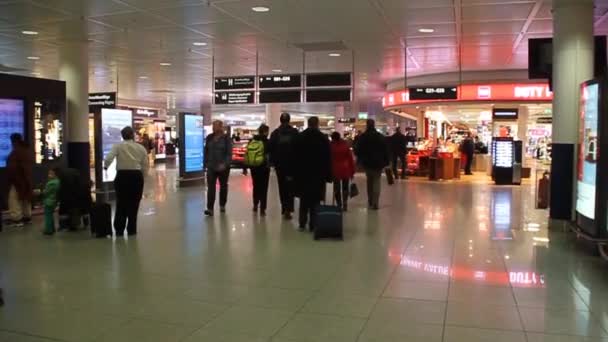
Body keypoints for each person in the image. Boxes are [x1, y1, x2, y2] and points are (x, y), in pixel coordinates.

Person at [104, 126, 148, 236]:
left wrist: (106, 167)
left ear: (122, 135)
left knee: (121, 202)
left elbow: (109, 158)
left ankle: (119, 229)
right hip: (136, 176)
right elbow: (145, 165)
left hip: (122, 176)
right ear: (133, 135)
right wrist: (143, 177)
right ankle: (131, 229)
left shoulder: (118, 146)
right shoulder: (140, 148)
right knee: (134, 203)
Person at [293, 117, 331, 231]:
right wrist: (328, 175)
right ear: (317, 124)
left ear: (308, 124)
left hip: (303, 173)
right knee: (316, 199)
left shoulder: (300, 137)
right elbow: (327, 158)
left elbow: (294, 156)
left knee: (304, 199)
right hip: (318, 174)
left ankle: (302, 223)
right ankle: (313, 224)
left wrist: (294, 173)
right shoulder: (323, 138)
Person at [268, 112, 299, 219]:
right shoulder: (295, 132)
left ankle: (284, 207)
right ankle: (289, 209)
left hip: (280, 165)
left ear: (280, 120)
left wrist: (272, 162)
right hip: (292, 165)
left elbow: (270, 149)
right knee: (290, 186)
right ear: (289, 120)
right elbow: (299, 148)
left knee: (282, 186)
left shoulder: (275, 133)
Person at [354, 119, 389, 210]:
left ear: (367, 125)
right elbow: (386, 150)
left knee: (369, 181)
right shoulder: (380, 137)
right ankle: (375, 202)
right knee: (377, 181)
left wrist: (360, 159)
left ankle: (370, 200)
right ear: (374, 125)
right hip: (378, 163)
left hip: (367, 162)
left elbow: (358, 150)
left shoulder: (363, 137)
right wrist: (386, 161)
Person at [204, 120, 232, 216]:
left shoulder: (226, 139)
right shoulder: (209, 138)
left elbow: (229, 153)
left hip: (223, 168)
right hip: (211, 166)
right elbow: (206, 151)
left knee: (223, 186)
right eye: (213, 125)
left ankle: (222, 204)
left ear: (221, 127)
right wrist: (205, 164)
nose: (213, 127)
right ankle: (210, 208)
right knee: (211, 187)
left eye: (215, 126)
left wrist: (225, 164)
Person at [6, 133, 33, 228]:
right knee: (26, 199)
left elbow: (12, 168)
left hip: (17, 181)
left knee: (14, 200)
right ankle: (27, 217)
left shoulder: (16, 152)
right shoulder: (27, 151)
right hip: (27, 179)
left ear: (13, 141)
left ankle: (16, 219)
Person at [246, 124, 271, 216]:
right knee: (264, 188)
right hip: (264, 167)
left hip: (254, 167)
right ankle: (263, 209)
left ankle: (255, 205)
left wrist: (246, 167)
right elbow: (269, 154)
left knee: (256, 186)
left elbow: (247, 153)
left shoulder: (252, 140)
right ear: (265, 132)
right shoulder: (267, 141)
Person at [330, 132, 355, 212]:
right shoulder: (345, 145)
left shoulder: (330, 146)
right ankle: (345, 203)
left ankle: (339, 204)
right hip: (345, 168)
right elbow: (350, 159)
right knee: (345, 187)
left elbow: (328, 159)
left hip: (335, 169)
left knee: (336, 188)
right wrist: (352, 171)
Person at [42, 169, 60, 235]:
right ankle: (52, 229)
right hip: (55, 201)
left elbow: (46, 192)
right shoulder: (58, 182)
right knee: (51, 216)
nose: (49, 175)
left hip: (48, 201)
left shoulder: (50, 183)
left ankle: (48, 230)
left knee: (48, 216)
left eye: (51, 173)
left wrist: (41, 192)